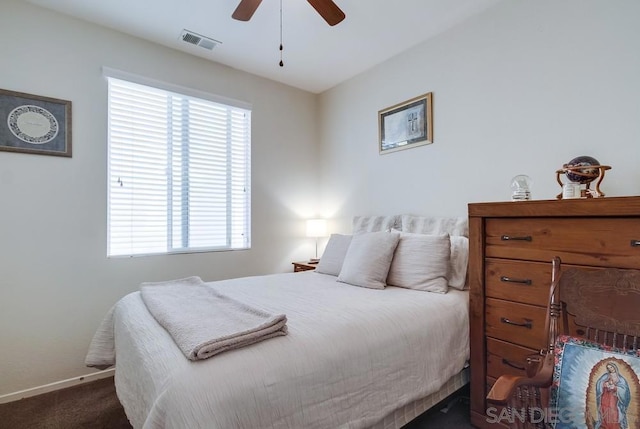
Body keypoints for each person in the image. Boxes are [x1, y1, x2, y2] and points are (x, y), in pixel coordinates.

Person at [594, 362, 631, 429]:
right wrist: (605, 384)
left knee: (613, 411)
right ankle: (604, 425)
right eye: (608, 368)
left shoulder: (621, 379)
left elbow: (625, 390)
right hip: (605, 396)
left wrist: (615, 388)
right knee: (604, 409)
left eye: (611, 367)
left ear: (614, 367)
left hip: (614, 398)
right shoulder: (605, 376)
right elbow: (599, 383)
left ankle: (613, 426)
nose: (610, 369)